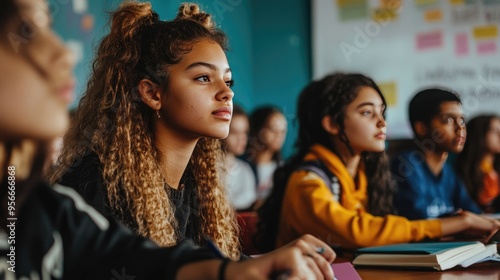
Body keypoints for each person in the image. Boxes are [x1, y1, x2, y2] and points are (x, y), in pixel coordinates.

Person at [0, 0, 336, 279]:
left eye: (228, 81)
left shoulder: (41, 203)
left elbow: (156, 261)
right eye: (204, 78)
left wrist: (257, 267)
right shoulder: (94, 185)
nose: (226, 93)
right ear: (151, 93)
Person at [254, 73, 500, 252]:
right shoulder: (307, 181)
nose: (382, 122)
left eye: (382, 112)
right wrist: (461, 222)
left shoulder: (364, 174)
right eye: (367, 113)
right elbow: (359, 230)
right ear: (332, 124)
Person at [391, 88, 482, 220]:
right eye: (448, 120)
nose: (460, 128)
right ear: (421, 128)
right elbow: (419, 222)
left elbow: (474, 213)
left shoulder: (448, 172)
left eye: (462, 120)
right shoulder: (406, 165)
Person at [456, 114, 500, 213]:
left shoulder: (495, 170)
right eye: (494, 131)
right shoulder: (462, 172)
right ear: (479, 133)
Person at [245, 106, 287, 208]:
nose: (279, 135)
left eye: (283, 130)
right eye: (273, 129)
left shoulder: (284, 169)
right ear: (256, 130)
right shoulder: (240, 167)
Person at [222, 104, 257, 211]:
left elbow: (250, 199)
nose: (242, 138)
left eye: (244, 132)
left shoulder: (245, 169)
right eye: (234, 132)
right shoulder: (207, 169)